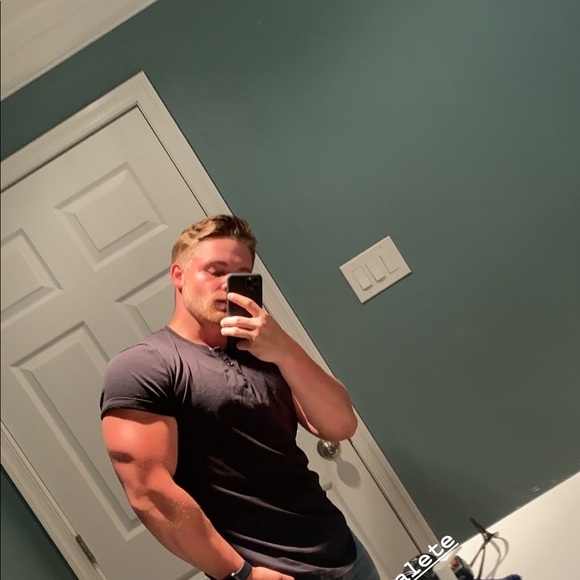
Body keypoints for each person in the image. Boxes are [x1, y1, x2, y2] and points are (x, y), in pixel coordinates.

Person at [100, 214, 380, 580]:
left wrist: (284, 349)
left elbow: (340, 425)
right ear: (178, 275)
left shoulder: (263, 347)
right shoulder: (144, 366)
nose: (228, 286)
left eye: (241, 275)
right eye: (215, 271)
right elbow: (150, 493)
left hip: (347, 555)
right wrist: (241, 575)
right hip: (270, 575)